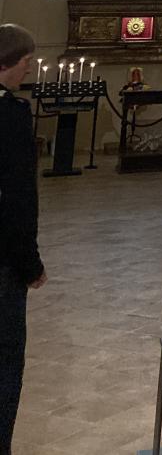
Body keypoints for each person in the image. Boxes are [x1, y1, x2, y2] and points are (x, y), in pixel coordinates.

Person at [0, 24, 46, 455]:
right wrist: (29, 263)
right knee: (7, 357)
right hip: (4, 262)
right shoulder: (10, 115)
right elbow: (17, 197)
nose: (29, 69)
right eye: (26, 62)